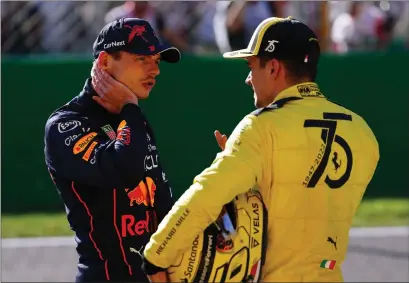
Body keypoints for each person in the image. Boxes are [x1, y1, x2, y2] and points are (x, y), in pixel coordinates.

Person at [141, 17, 380, 282]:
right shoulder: (363, 133)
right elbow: (307, 206)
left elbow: (205, 196)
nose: (248, 79)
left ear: (274, 68)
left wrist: (155, 257)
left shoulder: (261, 126)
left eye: (251, 66)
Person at [44, 17, 180, 282]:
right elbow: (124, 169)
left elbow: (162, 202)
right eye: (143, 59)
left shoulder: (133, 117)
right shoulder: (66, 125)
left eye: (157, 60)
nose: (155, 70)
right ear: (106, 62)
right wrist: (130, 109)